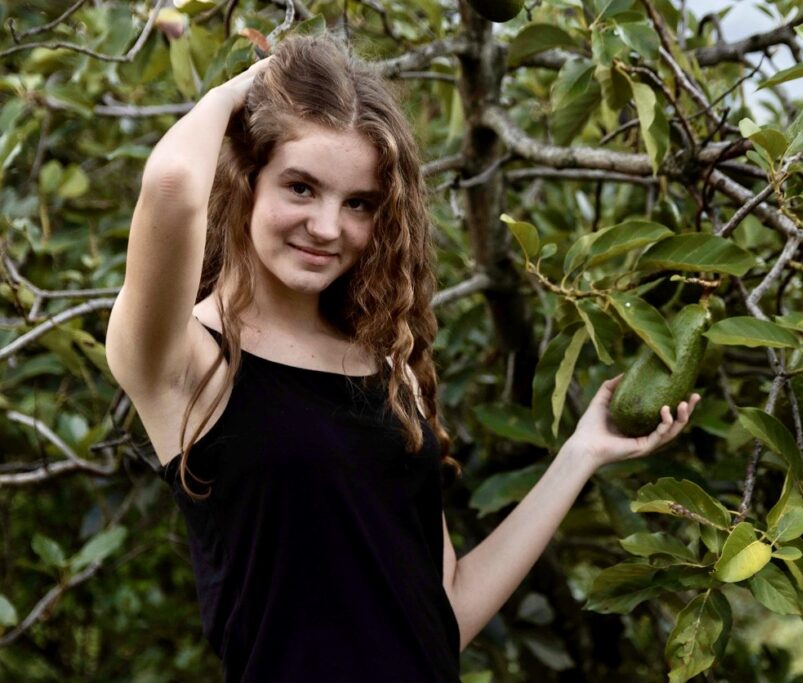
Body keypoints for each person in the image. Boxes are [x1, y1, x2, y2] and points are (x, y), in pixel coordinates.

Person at [104, 32, 700, 682]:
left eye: (358, 203)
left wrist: (582, 452)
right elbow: (172, 184)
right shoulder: (185, 361)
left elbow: (447, 609)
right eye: (300, 187)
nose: (328, 227)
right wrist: (238, 93)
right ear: (244, 179)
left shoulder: (385, 369)